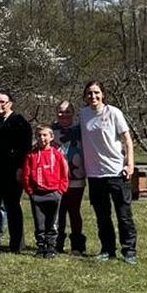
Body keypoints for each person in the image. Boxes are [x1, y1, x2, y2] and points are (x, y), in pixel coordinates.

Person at [79, 81, 138, 264]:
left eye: (97, 93)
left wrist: (129, 164)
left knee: (123, 214)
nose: (93, 96)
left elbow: (127, 139)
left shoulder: (113, 112)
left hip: (115, 171)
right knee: (102, 216)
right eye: (89, 93)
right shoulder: (83, 114)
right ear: (85, 96)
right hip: (95, 174)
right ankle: (107, 249)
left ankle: (129, 251)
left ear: (103, 94)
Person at [0, 90, 32, 253]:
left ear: (10, 103)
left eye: (2, 102)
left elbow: (25, 147)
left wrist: (20, 169)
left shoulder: (19, 121)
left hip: (12, 171)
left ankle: (16, 244)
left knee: (12, 207)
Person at [23, 124, 69, 259]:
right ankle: (41, 246)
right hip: (37, 194)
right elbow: (26, 175)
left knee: (53, 222)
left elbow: (64, 174)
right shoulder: (31, 155)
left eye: (45, 135)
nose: (42, 138)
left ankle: (51, 246)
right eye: (39, 135)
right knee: (39, 222)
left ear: (51, 137)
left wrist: (61, 190)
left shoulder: (57, 155)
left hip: (54, 193)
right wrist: (30, 191)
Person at [52, 100, 87, 256]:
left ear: (72, 113)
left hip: (76, 176)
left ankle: (77, 245)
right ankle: (56, 243)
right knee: (58, 211)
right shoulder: (51, 130)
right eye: (60, 111)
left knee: (74, 211)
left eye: (67, 111)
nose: (63, 114)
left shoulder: (80, 130)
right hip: (56, 178)